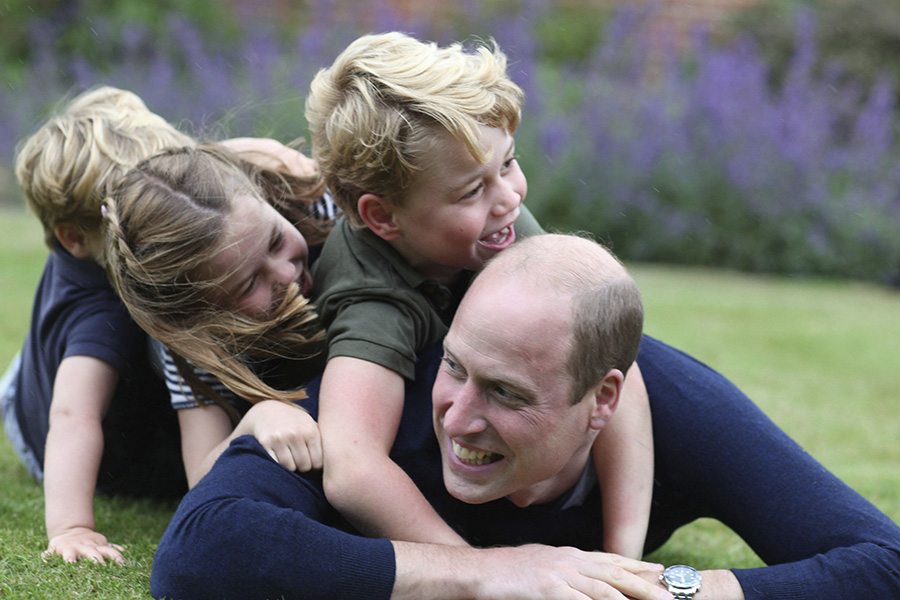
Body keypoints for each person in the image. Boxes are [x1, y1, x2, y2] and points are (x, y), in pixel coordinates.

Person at [149, 234, 900, 600]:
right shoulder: (379, 398)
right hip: (147, 408)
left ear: (603, 400)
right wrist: (485, 576)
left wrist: (664, 590)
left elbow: (882, 561)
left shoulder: (679, 407)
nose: (458, 418)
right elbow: (197, 551)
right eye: (456, 367)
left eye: (507, 394)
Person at [305, 31, 653, 556]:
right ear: (384, 217)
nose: (509, 197)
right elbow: (352, 469)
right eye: (472, 190)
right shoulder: (372, 297)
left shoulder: (495, 218)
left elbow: (616, 363)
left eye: (508, 163)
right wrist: (481, 574)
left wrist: (624, 558)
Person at [1, 86, 194, 566]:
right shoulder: (103, 314)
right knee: (81, 372)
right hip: (43, 432)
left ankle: (29, 371)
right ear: (75, 237)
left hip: (31, 380)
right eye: (142, 220)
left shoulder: (90, 245)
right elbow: (73, 418)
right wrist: (72, 527)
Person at [103, 143, 336, 488]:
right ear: (199, 314)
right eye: (249, 284)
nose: (287, 274)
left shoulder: (322, 208)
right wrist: (256, 419)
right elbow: (200, 476)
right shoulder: (195, 342)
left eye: (275, 241)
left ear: (263, 195)